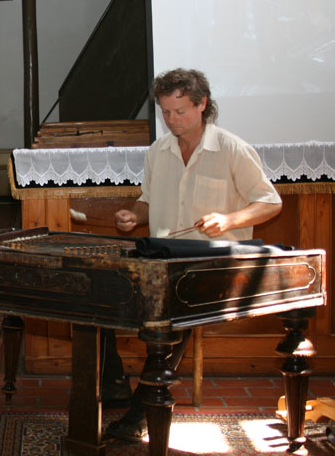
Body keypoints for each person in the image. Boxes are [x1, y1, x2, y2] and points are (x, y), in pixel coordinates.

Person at [103, 68, 282, 441]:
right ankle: (115, 384)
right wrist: (133, 216)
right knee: (101, 295)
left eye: (180, 111)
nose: (171, 120)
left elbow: (270, 202)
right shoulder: (158, 151)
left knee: (170, 321)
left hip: (212, 266)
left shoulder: (232, 148)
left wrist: (230, 219)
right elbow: (147, 201)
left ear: (202, 105)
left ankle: (137, 416)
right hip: (164, 261)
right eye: (165, 112)